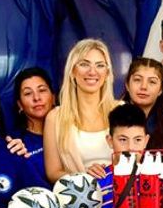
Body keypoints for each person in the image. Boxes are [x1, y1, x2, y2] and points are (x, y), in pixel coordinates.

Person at [44, 38, 120, 182]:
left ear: (107, 73)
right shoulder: (55, 117)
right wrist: (83, 176)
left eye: (100, 65)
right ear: (72, 71)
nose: (92, 72)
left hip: (121, 196)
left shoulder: (122, 109)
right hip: (79, 199)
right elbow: (53, 172)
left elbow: (136, 159)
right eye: (84, 64)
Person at [98, 103, 152, 208]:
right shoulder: (98, 180)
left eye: (138, 140)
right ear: (110, 141)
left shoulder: (155, 180)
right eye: (123, 140)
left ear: (146, 141)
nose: (130, 148)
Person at [12, 67, 55, 185]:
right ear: (19, 104)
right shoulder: (16, 143)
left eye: (42, 90)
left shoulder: (71, 132)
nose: (37, 98)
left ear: (53, 97)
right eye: (28, 93)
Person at [122, 57, 163, 133]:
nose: (144, 87)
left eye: (152, 82)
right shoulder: (111, 116)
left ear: (160, 90)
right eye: (137, 80)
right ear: (127, 85)